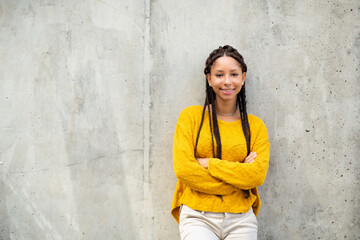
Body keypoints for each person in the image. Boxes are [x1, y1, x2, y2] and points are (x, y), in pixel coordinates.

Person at [171, 45, 270, 240]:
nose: (227, 81)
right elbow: (184, 170)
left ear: (243, 77)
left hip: (241, 218)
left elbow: (256, 176)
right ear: (209, 78)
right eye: (219, 75)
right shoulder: (191, 117)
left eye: (233, 74)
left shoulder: (255, 126)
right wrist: (238, 175)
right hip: (198, 216)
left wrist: (209, 163)